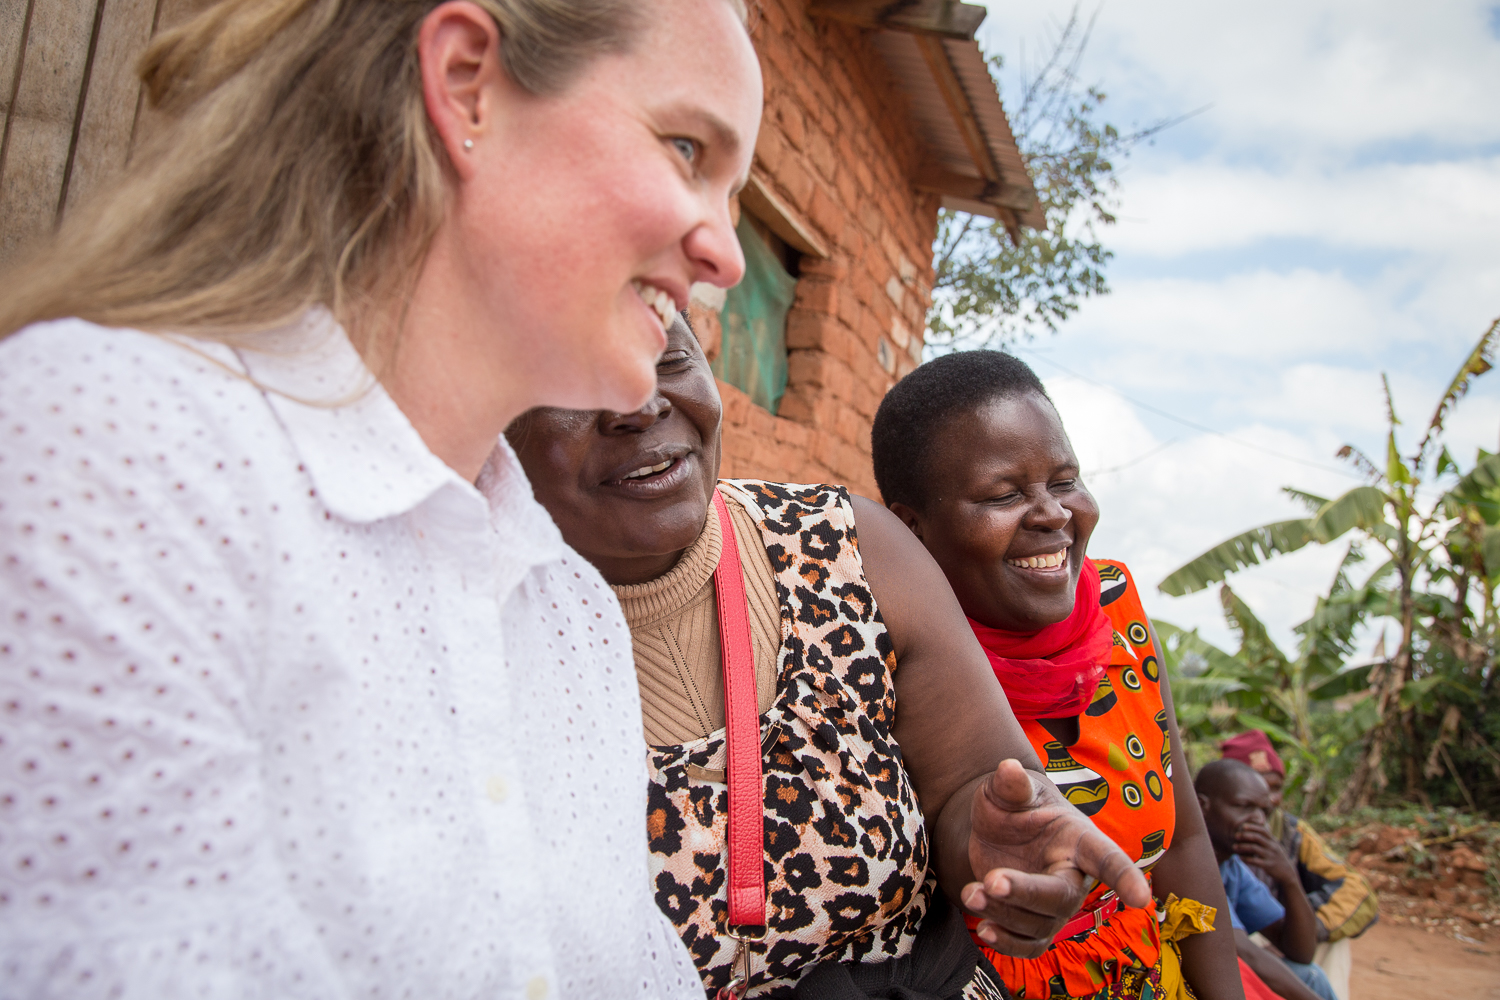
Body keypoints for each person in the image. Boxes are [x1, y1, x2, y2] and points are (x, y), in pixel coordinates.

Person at [0, 1, 761, 996]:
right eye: (686, 147)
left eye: (737, 192)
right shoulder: (113, 447)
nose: (729, 257)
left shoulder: (571, 612)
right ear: (465, 85)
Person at [507, 315, 1154, 998]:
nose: (641, 406)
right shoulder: (447, 643)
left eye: (669, 361)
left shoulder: (847, 547)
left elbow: (973, 783)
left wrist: (1000, 849)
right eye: (581, 384)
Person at [870, 351, 1243, 1000]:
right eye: (1005, 494)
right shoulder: (875, 665)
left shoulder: (1118, 609)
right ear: (911, 529)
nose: (1053, 514)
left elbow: (1182, 841)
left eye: (1064, 481)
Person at [1218, 733, 1375, 1000]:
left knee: (1318, 958)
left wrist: (1298, 902)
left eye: (1274, 789)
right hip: (1237, 944)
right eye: (1246, 801)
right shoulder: (1212, 851)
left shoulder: (1291, 832)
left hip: (1270, 935)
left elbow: (1357, 890)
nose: (1266, 804)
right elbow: (1238, 946)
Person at [1194, 761, 1338, 1000]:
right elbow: (1240, 952)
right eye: (1243, 807)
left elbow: (1301, 952)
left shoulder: (1232, 866)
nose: (1258, 820)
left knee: (1310, 975)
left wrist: (1288, 878)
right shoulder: (1194, 864)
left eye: (1264, 811)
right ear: (1201, 806)